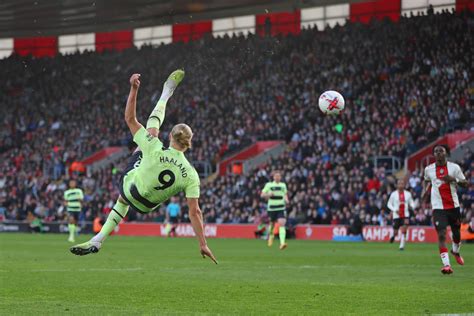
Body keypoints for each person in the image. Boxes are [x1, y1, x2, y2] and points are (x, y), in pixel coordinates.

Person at [70, 70, 217, 264]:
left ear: (171, 136)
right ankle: (97, 241)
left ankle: (166, 93)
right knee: (146, 147)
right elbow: (195, 212)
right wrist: (202, 244)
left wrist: (133, 89)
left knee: (147, 137)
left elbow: (130, 119)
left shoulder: (154, 147)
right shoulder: (191, 174)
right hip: (147, 206)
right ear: (189, 143)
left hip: (131, 188)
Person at [422, 145, 468, 274]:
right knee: (441, 235)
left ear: (446, 153)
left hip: (453, 206)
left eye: (441, 151)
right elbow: (426, 180)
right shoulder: (428, 169)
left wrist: (453, 179)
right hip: (438, 208)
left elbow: (465, 183)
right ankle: (447, 265)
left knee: (457, 234)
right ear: (434, 155)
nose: (438, 153)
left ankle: (456, 251)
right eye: (436, 151)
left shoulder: (454, 168)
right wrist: (424, 191)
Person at [260, 171, 289, 250]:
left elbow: (285, 194)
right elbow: (262, 195)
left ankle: (282, 243)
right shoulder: (269, 185)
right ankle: (271, 236)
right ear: (273, 177)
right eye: (276, 176)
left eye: (279, 176)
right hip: (272, 208)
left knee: (282, 223)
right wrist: (268, 194)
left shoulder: (283, 185)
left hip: (281, 207)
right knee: (272, 224)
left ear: (280, 177)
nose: (277, 177)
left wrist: (286, 200)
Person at [387, 179, 415, 250]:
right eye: (399, 184)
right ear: (397, 185)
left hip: (405, 215)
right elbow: (389, 204)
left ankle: (402, 245)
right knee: (396, 232)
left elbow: (411, 202)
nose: (401, 185)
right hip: (396, 215)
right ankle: (393, 236)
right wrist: (394, 210)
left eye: (402, 184)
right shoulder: (393, 194)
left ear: (404, 185)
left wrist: (412, 205)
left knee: (404, 228)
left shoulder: (408, 194)